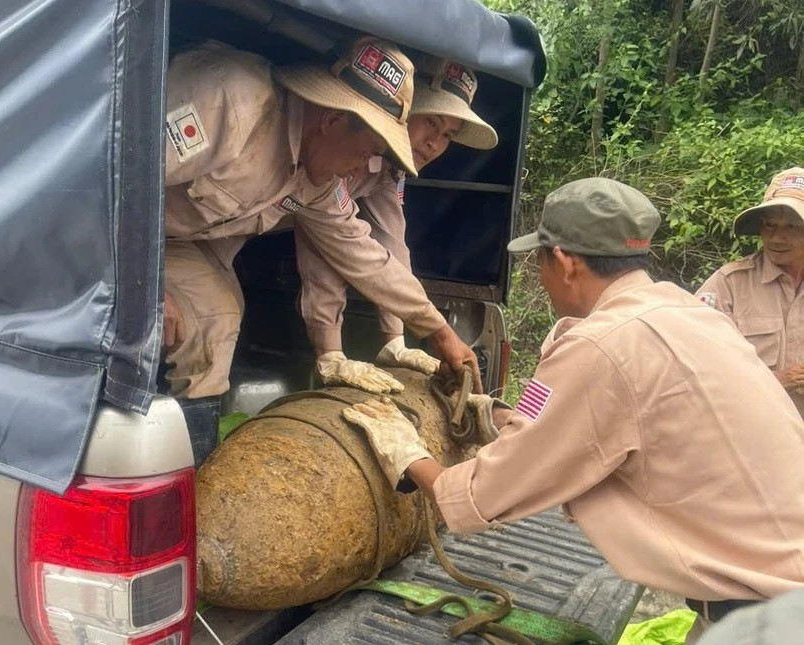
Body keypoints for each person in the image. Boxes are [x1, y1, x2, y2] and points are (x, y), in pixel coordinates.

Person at [341, 178, 804, 641]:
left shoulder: (600, 345)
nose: (540, 278)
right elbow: (580, 419)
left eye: (539, 262)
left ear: (562, 260)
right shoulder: (686, 312)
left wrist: (405, 452)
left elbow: (483, 496)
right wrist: (495, 416)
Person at [161, 37, 481, 462]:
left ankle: (189, 479)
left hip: (175, 243)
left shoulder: (319, 181)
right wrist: (140, 284)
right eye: (367, 151)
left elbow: (366, 255)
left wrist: (440, 332)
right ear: (331, 121)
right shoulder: (231, 102)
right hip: (95, 230)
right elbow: (101, 177)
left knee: (218, 316)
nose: (360, 169)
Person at [293, 55, 498, 394]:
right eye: (431, 122)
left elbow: (392, 245)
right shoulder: (346, 144)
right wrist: (330, 351)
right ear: (402, 110)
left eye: (447, 134)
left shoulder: (390, 168)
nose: (435, 144)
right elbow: (332, 245)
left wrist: (396, 338)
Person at [696, 167, 804, 417]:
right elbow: (693, 364)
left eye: (792, 226)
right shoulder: (729, 284)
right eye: (769, 225)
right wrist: (777, 380)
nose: (777, 237)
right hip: (751, 434)